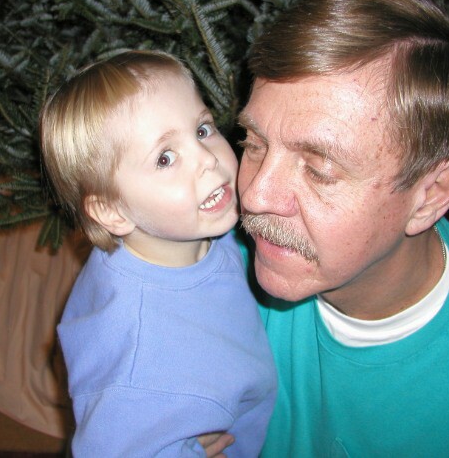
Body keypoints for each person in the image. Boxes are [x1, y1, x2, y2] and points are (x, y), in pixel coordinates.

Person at [233, 0, 449, 456]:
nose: (254, 196)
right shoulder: (208, 248)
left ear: (432, 195)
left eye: (319, 168)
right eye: (253, 145)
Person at [39, 50, 277, 457]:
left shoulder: (174, 230)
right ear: (113, 212)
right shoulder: (141, 371)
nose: (207, 159)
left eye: (202, 129)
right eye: (165, 159)